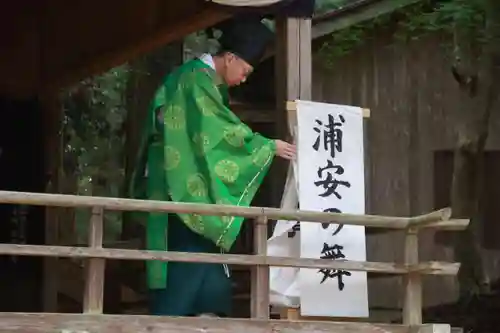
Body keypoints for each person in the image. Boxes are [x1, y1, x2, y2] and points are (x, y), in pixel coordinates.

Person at [129, 17, 296, 318]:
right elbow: (216, 130)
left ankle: (207, 315)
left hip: (183, 177)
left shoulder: (200, 81)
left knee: (205, 256)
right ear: (230, 58)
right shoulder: (195, 79)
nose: (244, 79)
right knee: (186, 257)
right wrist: (265, 145)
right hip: (177, 183)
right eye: (245, 71)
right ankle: (177, 319)